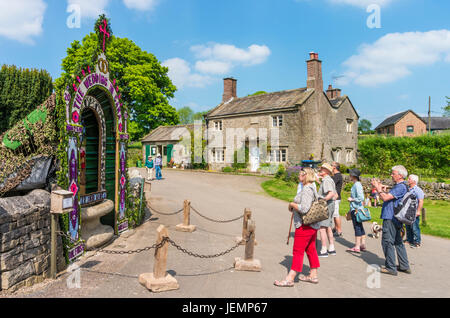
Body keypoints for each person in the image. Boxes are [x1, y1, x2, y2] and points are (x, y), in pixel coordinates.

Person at [274, 168, 321, 286]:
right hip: (312, 224)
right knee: (311, 249)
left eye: (301, 173)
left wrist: (292, 204)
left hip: (305, 225)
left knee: (297, 251)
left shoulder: (307, 189)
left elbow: (304, 208)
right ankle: (313, 275)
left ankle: (290, 278)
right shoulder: (311, 187)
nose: (299, 175)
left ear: (306, 176)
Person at [371, 165, 411, 275]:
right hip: (396, 217)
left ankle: (390, 267)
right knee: (398, 241)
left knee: (387, 241)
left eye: (393, 173)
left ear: (400, 175)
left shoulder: (401, 187)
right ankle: (404, 265)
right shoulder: (401, 186)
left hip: (391, 217)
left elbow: (385, 198)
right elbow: (390, 196)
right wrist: (384, 189)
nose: (391, 175)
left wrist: (378, 188)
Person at [317, 163, 337, 257]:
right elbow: (335, 195)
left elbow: (331, 194)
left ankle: (324, 249)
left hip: (326, 205)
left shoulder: (327, 181)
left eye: (323, 169)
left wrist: (322, 200)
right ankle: (332, 248)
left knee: (322, 228)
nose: (321, 170)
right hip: (330, 205)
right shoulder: (328, 180)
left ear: (327, 171)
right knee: (328, 226)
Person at [346, 168, 367, 253]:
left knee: (357, 227)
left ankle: (357, 246)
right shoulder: (357, 184)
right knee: (360, 226)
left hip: (356, 210)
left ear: (354, 176)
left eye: (350, 174)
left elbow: (361, 198)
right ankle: (362, 244)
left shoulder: (357, 185)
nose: (349, 175)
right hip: (357, 209)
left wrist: (352, 199)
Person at [405, 174, 424, 248]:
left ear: (414, 181)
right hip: (407, 211)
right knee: (408, 226)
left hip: (414, 211)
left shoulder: (418, 190)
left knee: (414, 227)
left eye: (409, 179)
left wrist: (418, 211)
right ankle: (409, 240)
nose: (408, 180)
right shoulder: (408, 189)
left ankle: (417, 241)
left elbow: (421, 201)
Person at [331, 162, 343, 237]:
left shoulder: (338, 176)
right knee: (334, 214)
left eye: (331, 165)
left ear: (334, 167)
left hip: (336, 197)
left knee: (336, 214)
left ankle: (339, 230)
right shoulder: (335, 175)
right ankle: (335, 228)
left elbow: (331, 184)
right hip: (334, 197)